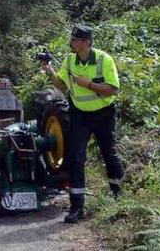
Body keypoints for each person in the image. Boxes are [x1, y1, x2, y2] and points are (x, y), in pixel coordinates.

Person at [39, 25, 125, 224]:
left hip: (104, 114)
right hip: (79, 114)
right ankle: (77, 207)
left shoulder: (104, 60)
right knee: (76, 158)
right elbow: (62, 86)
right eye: (72, 39)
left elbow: (113, 90)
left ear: (87, 42)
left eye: (76, 40)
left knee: (109, 155)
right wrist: (49, 71)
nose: (72, 43)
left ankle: (120, 200)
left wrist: (89, 84)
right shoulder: (70, 60)